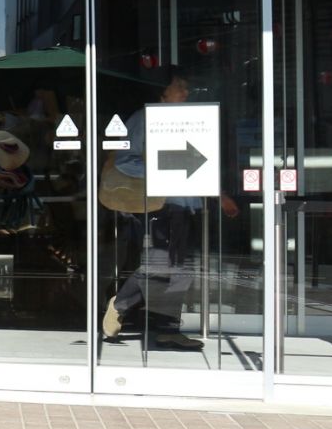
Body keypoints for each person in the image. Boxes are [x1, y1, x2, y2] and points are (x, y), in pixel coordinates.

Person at [101, 66, 239, 351]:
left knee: (180, 270)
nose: (186, 92)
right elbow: (126, 160)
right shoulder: (143, 119)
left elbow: (198, 163)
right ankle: (120, 305)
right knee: (160, 265)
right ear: (162, 92)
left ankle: (167, 329)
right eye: (180, 86)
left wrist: (218, 195)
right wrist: (162, 173)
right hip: (159, 205)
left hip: (185, 205)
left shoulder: (183, 121)